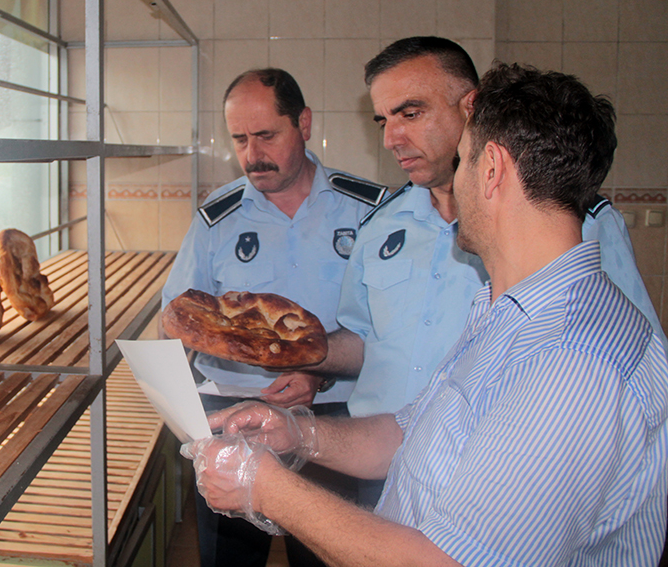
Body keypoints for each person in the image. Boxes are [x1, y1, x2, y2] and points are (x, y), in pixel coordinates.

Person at [183, 63, 668, 566]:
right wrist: (298, 433)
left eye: (461, 161)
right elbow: (414, 433)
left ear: (492, 169)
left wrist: (266, 488)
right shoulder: (505, 312)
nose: (450, 183)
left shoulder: (572, 361)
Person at [315, 37, 663, 505]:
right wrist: (300, 354)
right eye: (383, 120)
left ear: (471, 106)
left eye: (410, 113)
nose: (390, 138)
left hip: (501, 481)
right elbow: (367, 339)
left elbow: (630, 361)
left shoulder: (572, 220)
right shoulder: (380, 225)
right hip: (377, 467)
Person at [160, 68, 385, 567]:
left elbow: (384, 328)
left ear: (303, 123)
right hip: (229, 413)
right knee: (229, 558)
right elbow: (175, 317)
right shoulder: (216, 218)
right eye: (239, 139)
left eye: (266, 135)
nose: (251, 154)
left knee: (327, 554)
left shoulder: (367, 211)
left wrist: (317, 376)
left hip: (333, 418)